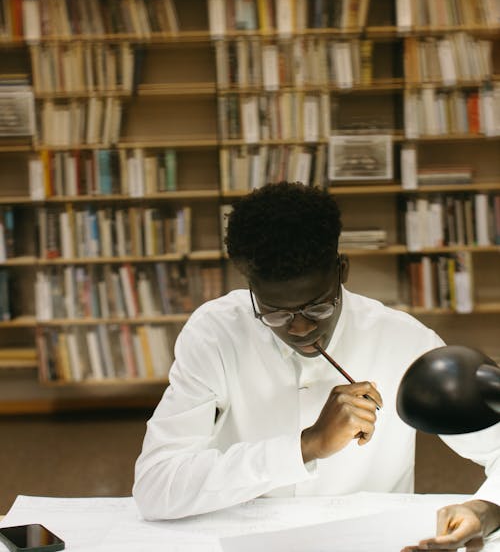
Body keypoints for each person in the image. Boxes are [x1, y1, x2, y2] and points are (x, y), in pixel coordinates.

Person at [133, 182, 500, 550]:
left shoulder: (405, 340)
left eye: (318, 306)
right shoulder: (215, 334)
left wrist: (486, 509)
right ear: (251, 290)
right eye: (275, 313)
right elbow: (156, 486)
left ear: (342, 271)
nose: (300, 327)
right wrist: (306, 445)